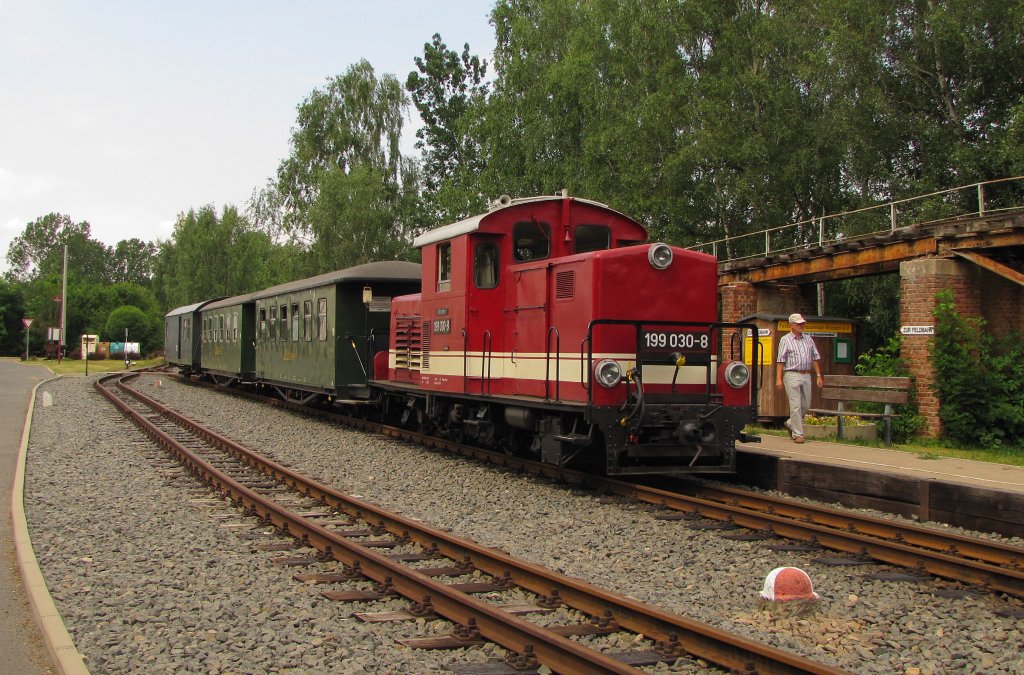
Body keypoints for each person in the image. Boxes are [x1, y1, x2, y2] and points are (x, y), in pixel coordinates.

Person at [775, 313, 823, 443]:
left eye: (802, 323)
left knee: (805, 404)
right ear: (791, 325)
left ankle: (791, 423)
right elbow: (780, 360)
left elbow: (814, 357)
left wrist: (818, 375)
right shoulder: (785, 340)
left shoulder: (808, 339)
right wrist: (778, 378)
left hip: (806, 374)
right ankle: (798, 434)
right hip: (791, 374)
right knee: (795, 405)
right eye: (798, 323)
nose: (802, 325)